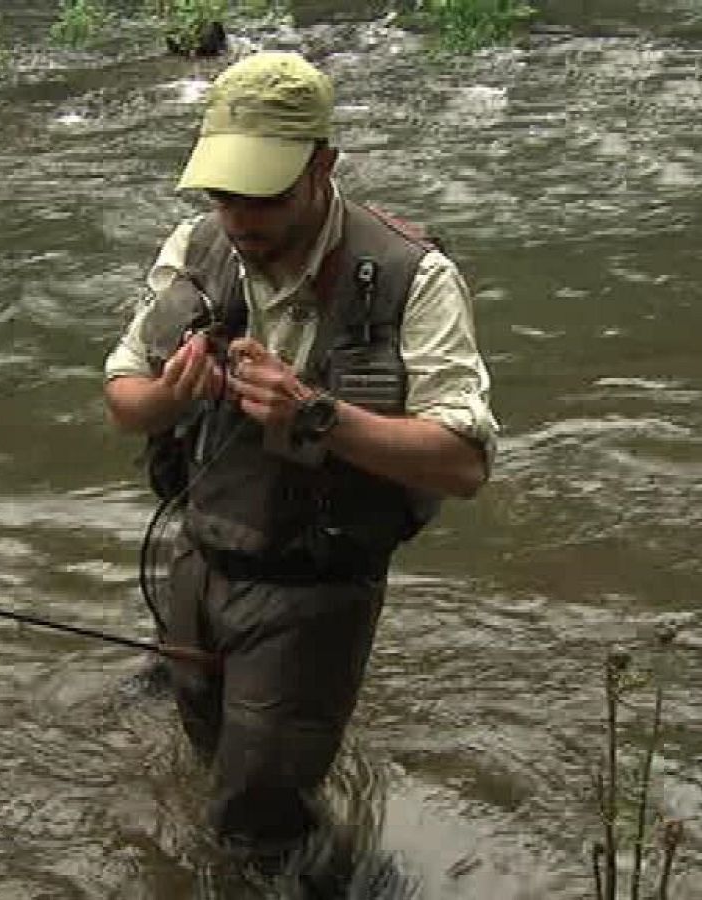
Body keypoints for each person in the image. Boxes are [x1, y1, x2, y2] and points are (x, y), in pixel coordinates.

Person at [102, 51, 498, 860]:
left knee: (254, 824)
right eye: (223, 193)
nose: (239, 217)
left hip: (317, 588)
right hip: (198, 563)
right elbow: (122, 397)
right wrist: (173, 398)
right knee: (210, 760)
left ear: (323, 165)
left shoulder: (412, 277)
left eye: (266, 195)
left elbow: (463, 463)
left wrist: (315, 413)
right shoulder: (193, 244)